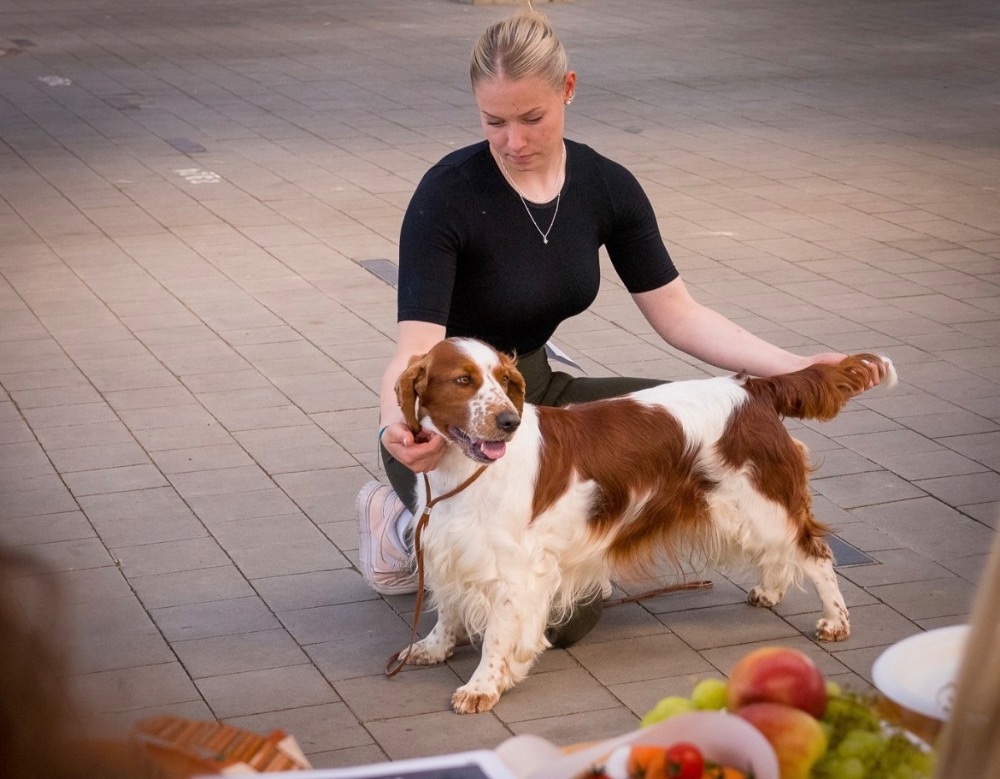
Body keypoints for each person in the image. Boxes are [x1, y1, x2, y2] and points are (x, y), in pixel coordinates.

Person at [357, 4, 867, 645]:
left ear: (568, 89)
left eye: (532, 118)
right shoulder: (447, 195)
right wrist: (401, 431)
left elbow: (679, 315)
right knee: (562, 622)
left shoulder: (605, 186)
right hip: (453, 422)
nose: (514, 141)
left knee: (708, 424)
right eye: (494, 122)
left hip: (537, 391)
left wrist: (795, 366)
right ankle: (404, 521)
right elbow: (415, 349)